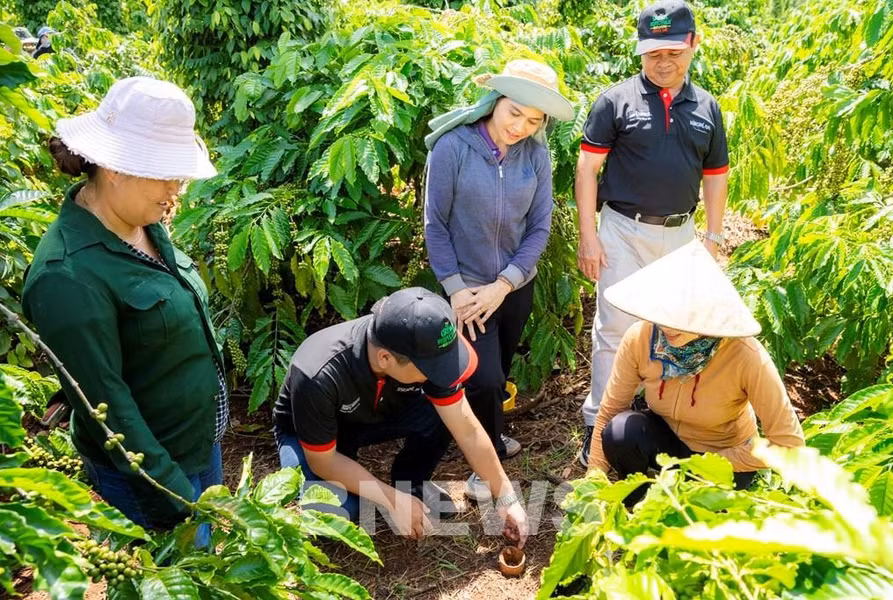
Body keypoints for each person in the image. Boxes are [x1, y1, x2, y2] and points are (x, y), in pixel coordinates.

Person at [22, 77, 224, 537]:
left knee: (209, 557)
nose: (176, 189)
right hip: (154, 475)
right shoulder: (66, 276)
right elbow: (107, 406)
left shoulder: (141, 220)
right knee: (177, 568)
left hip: (196, 443)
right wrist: (176, 495)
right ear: (115, 167)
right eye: (165, 173)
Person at [575, 0, 730, 465]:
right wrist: (589, 236)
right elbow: (587, 169)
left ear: (693, 44)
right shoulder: (615, 100)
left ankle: (653, 419)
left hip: (681, 235)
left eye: (673, 52)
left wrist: (713, 238)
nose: (663, 62)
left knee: (673, 329)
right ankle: (599, 424)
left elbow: (716, 176)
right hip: (623, 229)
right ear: (640, 51)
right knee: (615, 327)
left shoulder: (707, 107)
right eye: (653, 53)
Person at [424, 59, 574, 501]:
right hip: (468, 290)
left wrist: (505, 284)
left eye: (533, 121)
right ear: (495, 101)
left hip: (514, 287)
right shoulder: (452, 147)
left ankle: (491, 433)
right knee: (484, 377)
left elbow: (539, 227)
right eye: (514, 113)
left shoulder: (537, 156)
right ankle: (483, 468)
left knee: (501, 365)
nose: (520, 127)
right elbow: (435, 225)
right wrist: (456, 291)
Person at [273, 288, 529, 547]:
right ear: (385, 358)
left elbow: (468, 430)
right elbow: (323, 462)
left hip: (377, 414)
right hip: (315, 437)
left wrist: (507, 497)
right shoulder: (318, 374)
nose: (441, 374)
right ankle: (380, 497)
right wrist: (391, 500)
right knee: (334, 510)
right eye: (433, 369)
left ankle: (410, 483)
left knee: (445, 412)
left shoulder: (422, 347)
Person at [587, 241, 805, 498]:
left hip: (723, 458)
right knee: (620, 431)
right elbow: (610, 411)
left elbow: (789, 444)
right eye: (664, 314)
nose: (667, 327)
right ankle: (635, 500)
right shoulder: (640, 338)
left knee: (696, 513)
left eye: (682, 318)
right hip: (667, 444)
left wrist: (710, 463)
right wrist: (593, 483)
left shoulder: (746, 355)